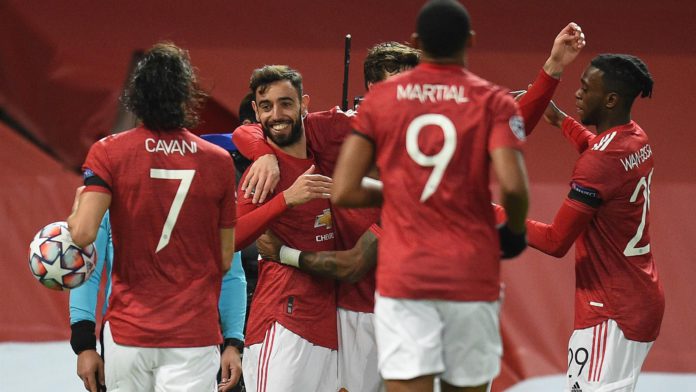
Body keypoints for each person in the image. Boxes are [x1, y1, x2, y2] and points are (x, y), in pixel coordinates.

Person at [331, 1, 581, 390]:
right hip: (471, 274)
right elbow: (514, 187)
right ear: (470, 41)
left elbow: (345, 188)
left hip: (405, 277)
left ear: (417, 42)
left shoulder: (380, 101)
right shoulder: (492, 100)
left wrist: (405, 195)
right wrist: (513, 231)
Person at [233, 41, 420, 392]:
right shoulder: (332, 134)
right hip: (340, 317)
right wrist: (265, 158)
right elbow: (250, 129)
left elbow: (353, 263)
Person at [67, 42, 237, 391]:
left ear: (137, 96)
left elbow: (83, 235)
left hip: (129, 333)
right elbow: (224, 259)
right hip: (194, 332)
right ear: (185, 95)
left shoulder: (108, 152)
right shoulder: (219, 161)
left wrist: (76, 209)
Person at [521, 54, 664, 392]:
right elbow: (599, 153)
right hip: (637, 297)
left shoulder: (600, 162)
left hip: (610, 311)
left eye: (586, 88)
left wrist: (491, 211)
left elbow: (555, 241)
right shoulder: (635, 138)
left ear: (611, 99)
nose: (577, 94)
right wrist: (562, 122)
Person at [233, 65, 338, 392]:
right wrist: (286, 200)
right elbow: (230, 240)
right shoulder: (264, 174)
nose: (276, 115)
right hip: (283, 323)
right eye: (266, 106)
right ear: (256, 111)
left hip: (332, 327)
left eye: (286, 104)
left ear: (305, 104)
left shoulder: (325, 153)